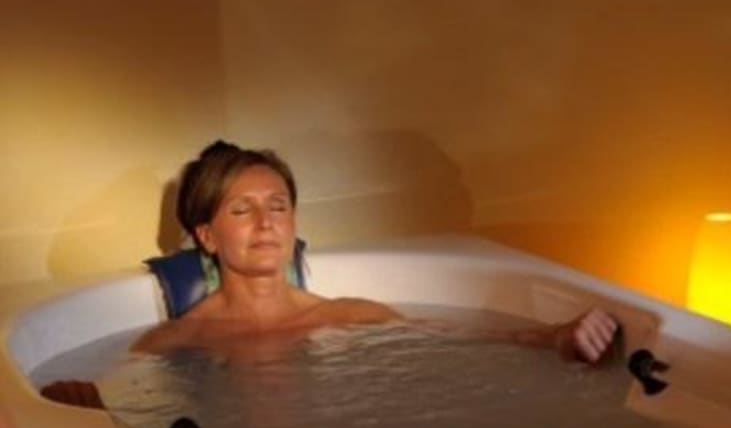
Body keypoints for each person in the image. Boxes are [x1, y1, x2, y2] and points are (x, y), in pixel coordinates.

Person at [42, 141, 618, 406]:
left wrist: (553, 336)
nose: (266, 223)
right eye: (242, 210)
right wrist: (89, 406)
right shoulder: (175, 340)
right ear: (206, 236)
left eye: (278, 206)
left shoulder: (347, 315)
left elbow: (459, 339)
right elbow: (118, 395)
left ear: (293, 221)